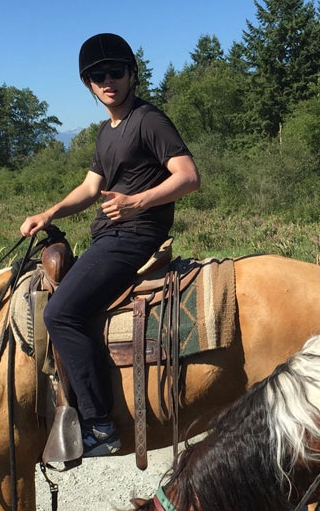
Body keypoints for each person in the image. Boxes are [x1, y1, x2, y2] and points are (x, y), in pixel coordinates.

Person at [20, 33, 200, 457]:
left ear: (131, 74)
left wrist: (138, 201)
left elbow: (188, 176)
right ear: (88, 85)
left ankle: (100, 425)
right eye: (97, 75)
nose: (108, 80)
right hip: (109, 235)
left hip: (133, 237)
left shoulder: (148, 120)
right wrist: (50, 213)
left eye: (115, 71)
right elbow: (90, 188)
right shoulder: (106, 132)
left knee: (61, 313)